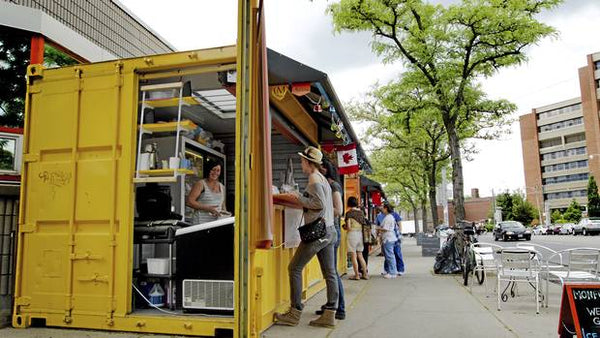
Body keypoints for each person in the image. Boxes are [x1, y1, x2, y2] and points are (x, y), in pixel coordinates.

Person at [274, 146, 338, 328]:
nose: (301, 163)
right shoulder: (323, 179)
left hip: (318, 233)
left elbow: (317, 204)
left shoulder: (313, 178)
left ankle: (294, 313)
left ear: (309, 163)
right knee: (330, 273)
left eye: (302, 160)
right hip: (329, 230)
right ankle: (330, 314)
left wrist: (296, 197)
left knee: (294, 268)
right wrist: (302, 197)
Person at [314, 159, 346, 320]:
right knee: (330, 272)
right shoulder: (330, 185)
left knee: (331, 272)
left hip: (331, 231)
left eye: (318, 169)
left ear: (324, 170)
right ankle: (331, 305)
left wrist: (321, 212)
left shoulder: (333, 186)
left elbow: (338, 210)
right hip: (331, 231)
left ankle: (339, 308)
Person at [344, 196, 369, 280]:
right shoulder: (361, 212)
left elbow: (349, 227)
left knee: (353, 256)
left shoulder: (349, 213)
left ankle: (357, 275)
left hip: (352, 235)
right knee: (360, 255)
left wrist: (344, 227)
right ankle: (365, 274)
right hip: (360, 235)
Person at [377, 204, 398, 279]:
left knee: (390, 256)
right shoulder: (389, 217)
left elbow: (385, 228)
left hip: (388, 238)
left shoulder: (388, 218)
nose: (382, 209)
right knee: (389, 256)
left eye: (383, 208)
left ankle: (392, 272)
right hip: (389, 238)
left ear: (386, 209)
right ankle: (391, 271)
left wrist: (377, 228)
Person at [391, 209, 406, 276]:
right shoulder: (381, 215)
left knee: (397, 253)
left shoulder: (395, 214)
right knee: (389, 254)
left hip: (395, 237)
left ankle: (400, 269)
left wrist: (399, 234)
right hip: (388, 237)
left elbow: (399, 224)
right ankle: (388, 269)